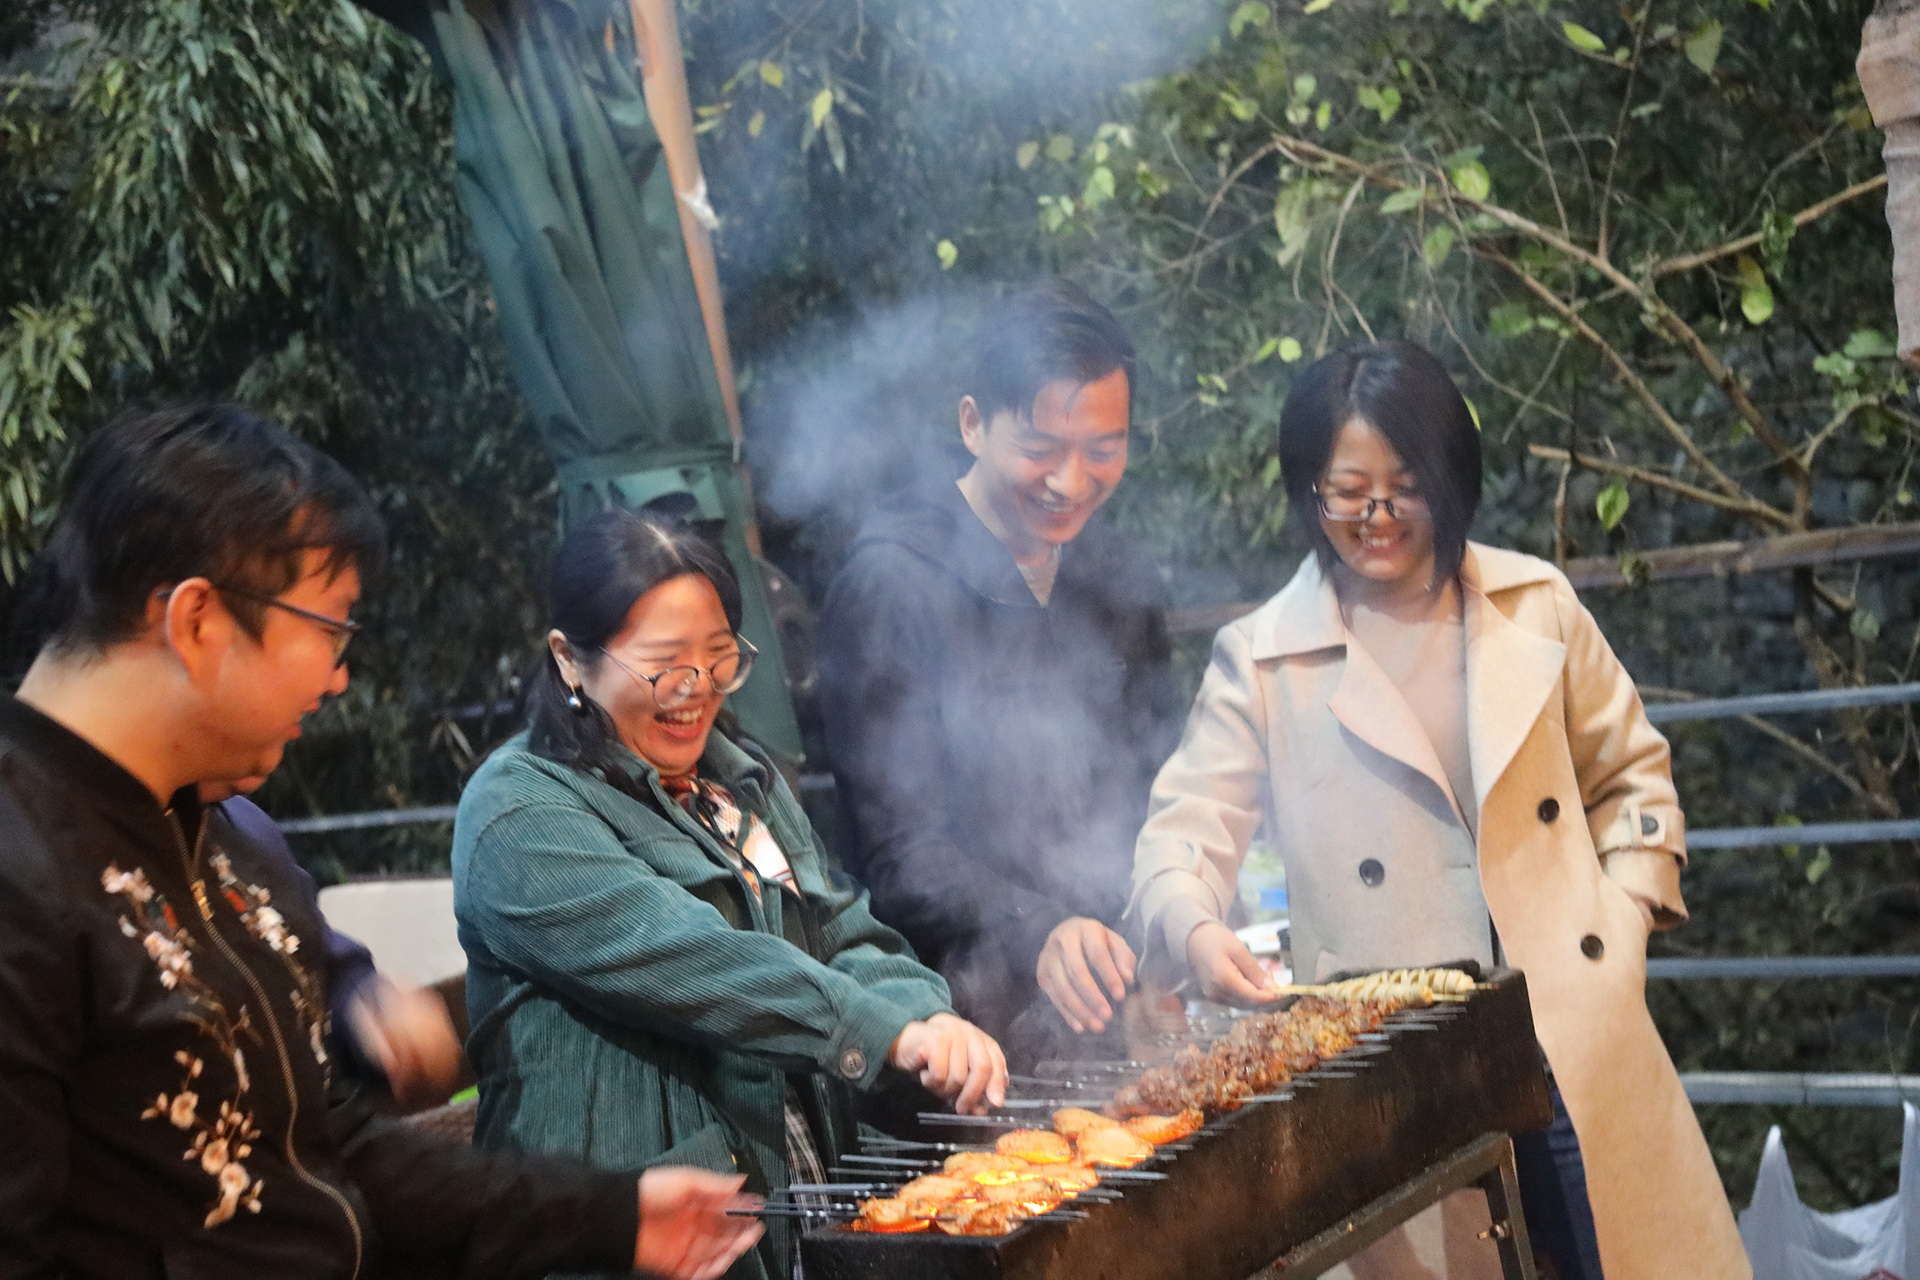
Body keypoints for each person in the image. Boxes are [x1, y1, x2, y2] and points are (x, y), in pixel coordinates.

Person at [0, 403, 762, 1280]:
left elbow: (329, 1156)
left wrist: (611, 1217)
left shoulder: (223, 843)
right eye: (330, 627)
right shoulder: (25, 870)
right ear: (198, 620)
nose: (339, 676)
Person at [1126, 342, 1748, 1280]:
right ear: (1308, 492)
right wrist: (1192, 925)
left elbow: (1634, 781)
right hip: (1398, 1071)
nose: (1376, 518)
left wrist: (1620, 928)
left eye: (1405, 487)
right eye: (1347, 491)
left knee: (1608, 1253)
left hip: (1571, 1033)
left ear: (1452, 480)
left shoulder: (1537, 606)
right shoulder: (1261, 659)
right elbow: (1182, 833)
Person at [452, 507, 1006, 1280]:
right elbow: (692, 959)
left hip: (796, 1220)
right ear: (569, 660)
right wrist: (880, 1030)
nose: (698, 689)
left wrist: (925, 1011)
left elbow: (842, 929)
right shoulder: (519, 812)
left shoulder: (738, 778)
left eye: (719, 658)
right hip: (623, 1245)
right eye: (664, 663)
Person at [816, 280, 1179, 1061]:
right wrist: (1034, 928)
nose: (1072, 481)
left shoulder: (1118, 578)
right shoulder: (895, 583)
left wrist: (1177, 921)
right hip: (961, 1030)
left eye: (1103, 450)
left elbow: (1159, 781)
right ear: (974, 424)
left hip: (1122, 1009)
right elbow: (898, 849)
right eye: (1042, 448)